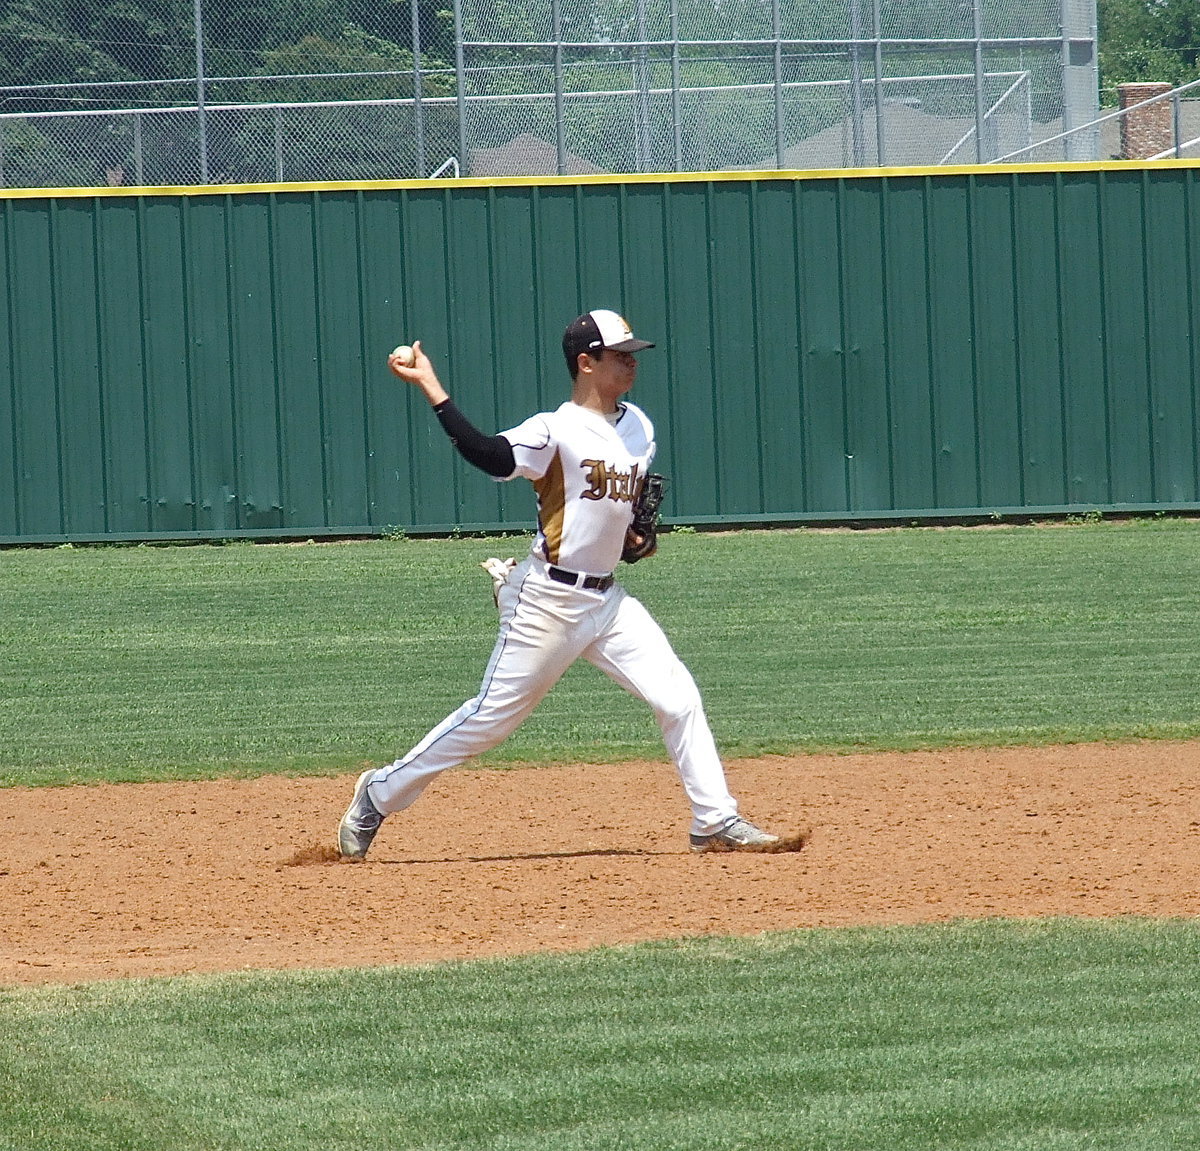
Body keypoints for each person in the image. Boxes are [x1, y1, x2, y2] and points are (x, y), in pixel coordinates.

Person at [338, 309, 779, 858]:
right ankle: (378, 793)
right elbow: (489, 453)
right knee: (489, 723)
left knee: (678, 697)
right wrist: (432, 386)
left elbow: (626, 512)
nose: (631, 363)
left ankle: (714, 820)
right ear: (586, 362)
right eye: (620, 355)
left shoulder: (639, 426)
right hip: (548, 599)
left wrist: (637, 537)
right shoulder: (554, 429)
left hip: (608, 602)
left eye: (632, 354)